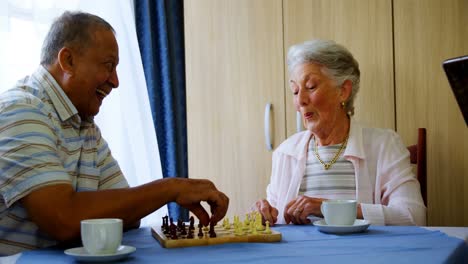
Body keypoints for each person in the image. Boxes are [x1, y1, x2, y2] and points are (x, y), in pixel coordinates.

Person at [0, 11, 228, 255]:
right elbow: (63, 218)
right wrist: (170, 188)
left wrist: (158, 194)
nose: (115, 81)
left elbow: (127, 217)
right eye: (108, 66)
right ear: (68, 61)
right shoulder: (21, 110)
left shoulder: (85, 127)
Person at [254, 39, 426, 226]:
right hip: (298, 255)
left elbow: (413, 216)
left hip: (363, 255)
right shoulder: (285, 153)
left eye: (311, 87)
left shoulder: (384, 145)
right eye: (295, 91)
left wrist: (328, 208)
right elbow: (274, 217)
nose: (300, 100)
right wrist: (264, 214)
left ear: (343, 91)